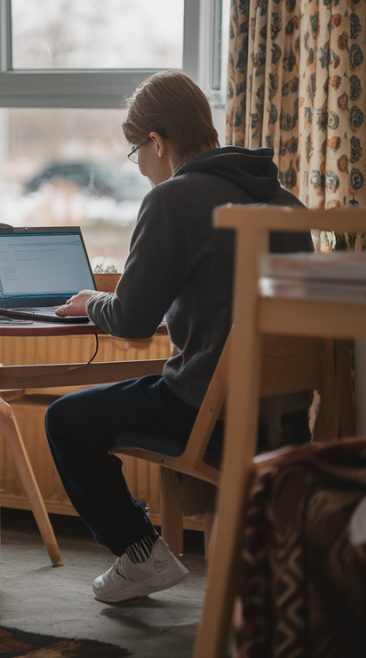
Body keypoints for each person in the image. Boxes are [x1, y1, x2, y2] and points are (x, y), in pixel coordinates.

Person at [45, 70, 313, 603]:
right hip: (286, 416)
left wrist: (91, 302)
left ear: (158, 141)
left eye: (136, 153)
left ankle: (140, 553)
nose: (141, 167)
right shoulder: (283, 201)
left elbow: (131, 321)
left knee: (67, 420)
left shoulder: (173, 200)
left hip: (213, 415)